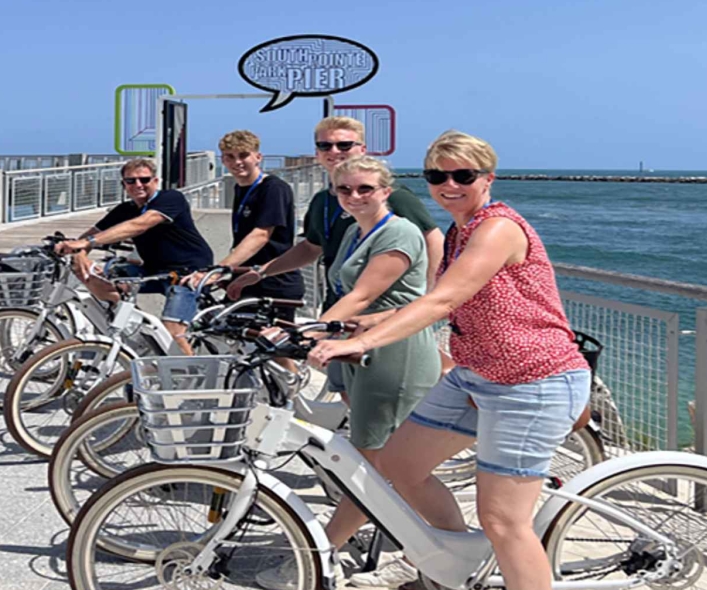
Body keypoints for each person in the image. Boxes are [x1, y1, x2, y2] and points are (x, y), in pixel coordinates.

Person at [308, 131, 592, 590]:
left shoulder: (498, 228)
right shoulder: (460, 232)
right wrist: (339, 329)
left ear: (488, 178)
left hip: (532, 381)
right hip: (476, 374)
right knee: (395, 466)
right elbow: (433, 300)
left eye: (463, 175)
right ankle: (455, 564)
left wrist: (365, 340)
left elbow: (445, 299)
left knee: (505, 521)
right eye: (438, 176)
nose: (450, 185)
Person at [257, 156, 441, 590]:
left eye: (365, 189)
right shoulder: (358, 233)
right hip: (360, 352)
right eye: (345, 190)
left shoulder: (398, 232)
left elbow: (362, 296)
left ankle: (321, 555)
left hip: (393, 353)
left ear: (385, 191)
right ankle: (425, 552)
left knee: (370, 465)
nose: (355, 196)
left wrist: (303, 329)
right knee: (384, 463)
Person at [229, 116, 443, 387]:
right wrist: (260, 273)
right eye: (325, 146)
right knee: (341, 385)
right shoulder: (324, 200)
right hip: (339, 305)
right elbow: (311, 247)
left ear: (361, 149)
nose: (334, 152)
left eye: (344, 145)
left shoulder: (389, 195)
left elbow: (432, 238)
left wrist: (428, 298)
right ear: (317, 153)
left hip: (381, 314)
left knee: (385, 393)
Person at [55, 157, 213, 350]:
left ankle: (190, 375)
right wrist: (80, 254)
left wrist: (88, 243)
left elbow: (140, 224)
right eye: (131, 181)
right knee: (97, 276)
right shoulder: (125, 209)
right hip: (154, 271)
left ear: (155, 181)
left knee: (172, 332)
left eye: (144, 180)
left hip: (189, 273)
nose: (138, 185)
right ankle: (134, 331)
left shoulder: (171, 198)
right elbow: (89, 236)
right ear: (124, 185)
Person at [191, 130, 303, 307]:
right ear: (223, 161)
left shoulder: (273, 188)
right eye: (230, 157)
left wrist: (219, 269)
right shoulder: (239, 188)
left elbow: (261, 235)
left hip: (274, 281)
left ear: (258, 157)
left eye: (243, 155)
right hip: (244, 280)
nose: (237, 162)